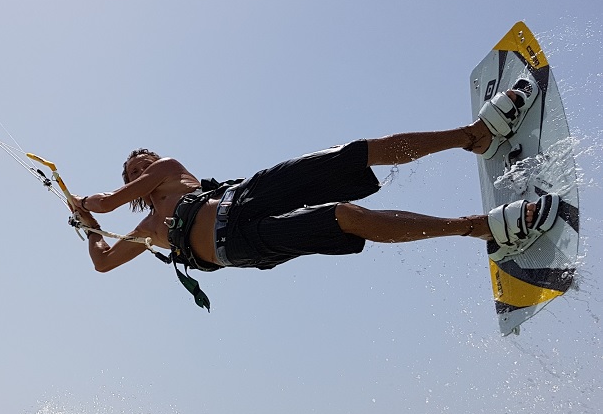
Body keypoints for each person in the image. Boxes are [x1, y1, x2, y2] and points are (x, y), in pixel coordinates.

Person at [68, 78, 561, 286]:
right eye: (132, 170)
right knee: (348, 218)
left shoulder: (170, 170)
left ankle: (473, 135)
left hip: (245, 196)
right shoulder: (150, 229)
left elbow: (110, 202)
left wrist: (92, 203)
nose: (139, 169)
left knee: (350, 155)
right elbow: (103, 262)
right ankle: (476, 227)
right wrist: (84, 223)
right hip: (243, 243)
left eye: (142, 161)